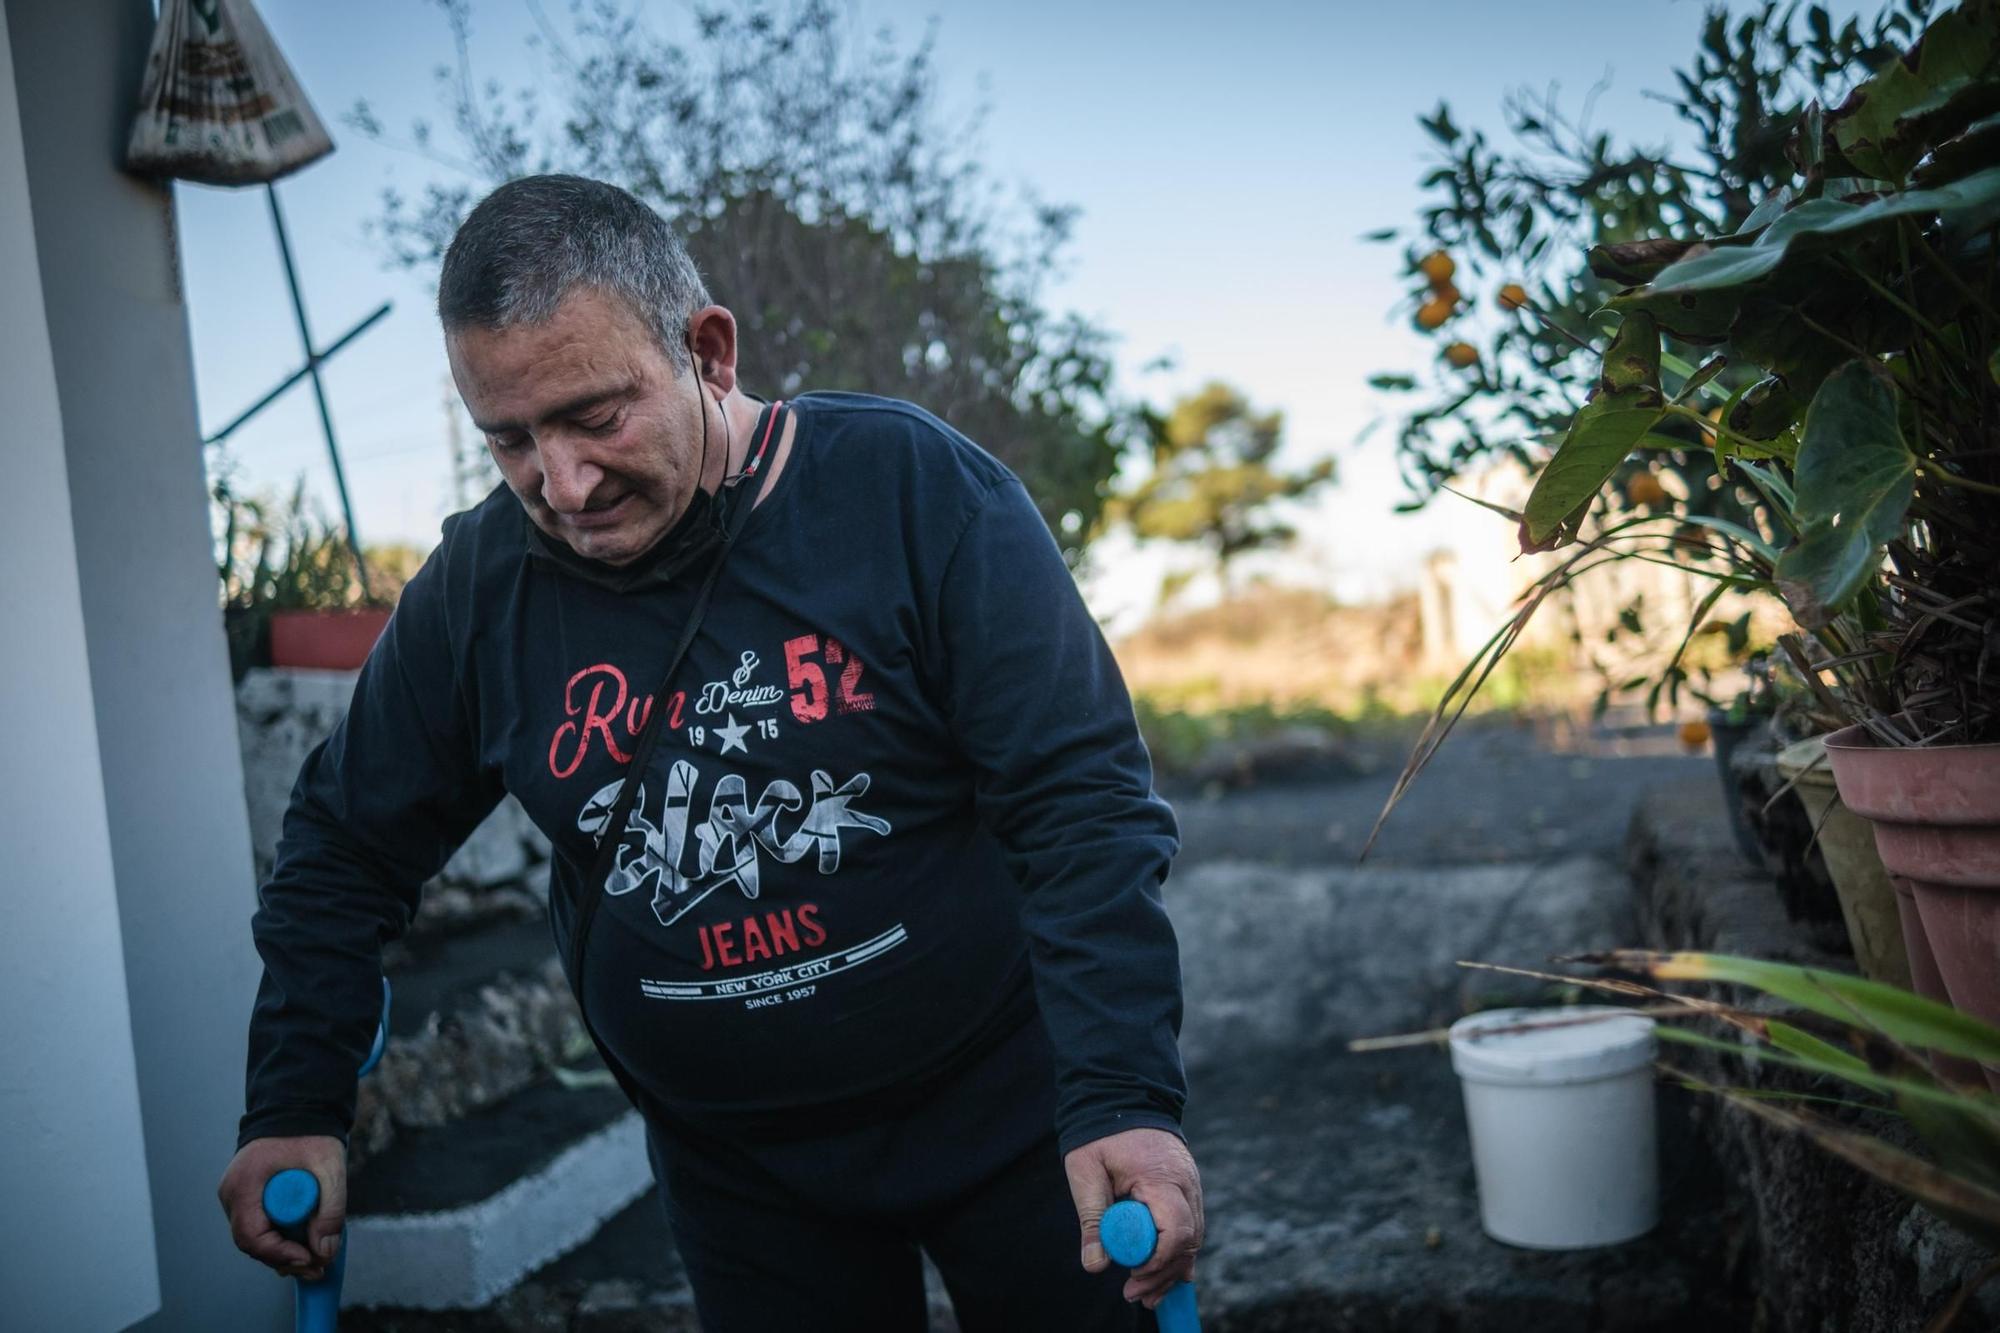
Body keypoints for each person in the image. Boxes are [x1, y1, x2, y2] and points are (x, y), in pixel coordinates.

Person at [217, 174, 1202, 1330]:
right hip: (740, 1170)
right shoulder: (481, 590)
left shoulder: (915, 497)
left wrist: (1125, 1096)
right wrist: (293, 1097)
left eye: (595, 416)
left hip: (1012, 1115)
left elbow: (1079, 809)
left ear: (710, 351)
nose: (563, 484)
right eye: (511, 440)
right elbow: (342, 844)